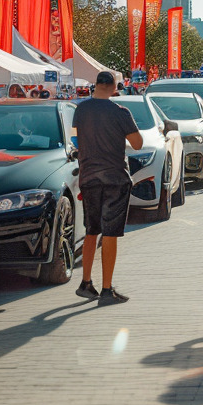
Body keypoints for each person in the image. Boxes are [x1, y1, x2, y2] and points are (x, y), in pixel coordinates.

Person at [72, 71, 143, 305]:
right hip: (115, 177)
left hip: (89, 177)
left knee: (91, 230)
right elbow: (137, 143)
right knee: (110, 233)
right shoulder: (120, 112)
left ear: (95, 86)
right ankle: (106, 288)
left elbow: (75, 139)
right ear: (114, 87)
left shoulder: (80, 110)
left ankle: (85, 282)